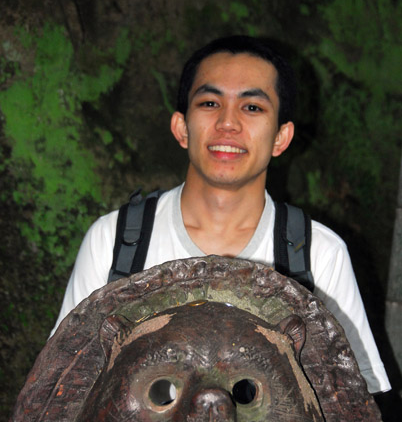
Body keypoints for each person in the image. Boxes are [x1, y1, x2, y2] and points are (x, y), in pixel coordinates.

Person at [50, 35, 390, 395]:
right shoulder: (117, 241)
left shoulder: (318, 254)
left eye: (253, 108)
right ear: (182, 128)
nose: (228, 123)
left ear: (281, 137)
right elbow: (60, 392)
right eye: (210, 103)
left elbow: (359, 409)